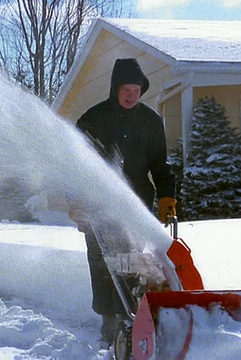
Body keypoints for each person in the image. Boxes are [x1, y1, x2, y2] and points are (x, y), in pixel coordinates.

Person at [71, 58, 176, 346]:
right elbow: (75, 167)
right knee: (102, 262)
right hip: (97, 206)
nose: (132, 95)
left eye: (137, 90)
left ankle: (134, 317)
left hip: (136, 205)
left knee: (130, 261)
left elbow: (160, 164)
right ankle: (110, 321)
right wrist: (77, 203)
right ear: (115, 88)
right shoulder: (93, 120)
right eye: (126, 89)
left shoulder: (151, 121)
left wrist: (168, 195)